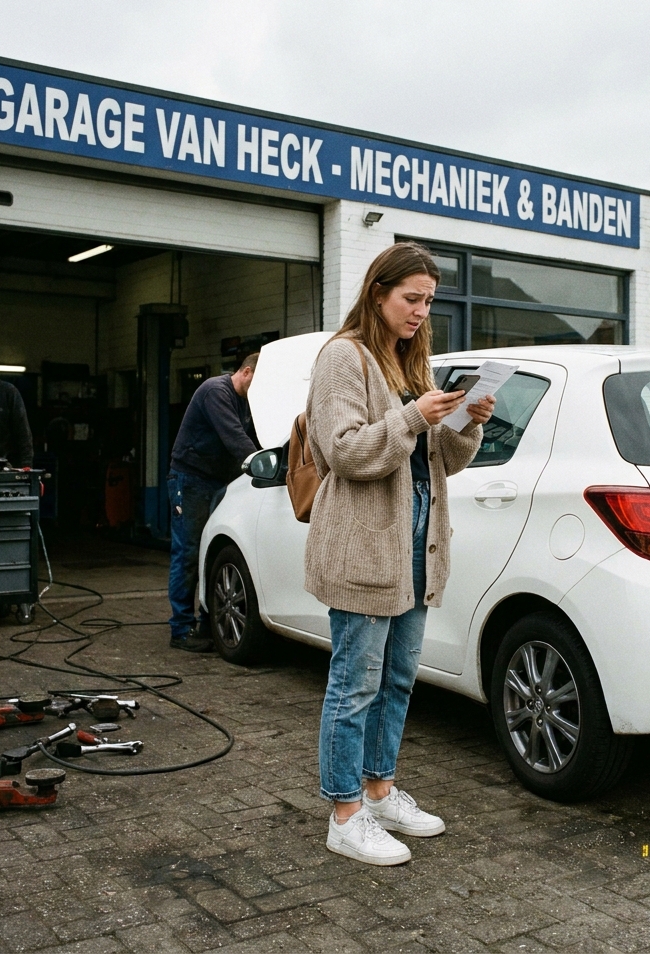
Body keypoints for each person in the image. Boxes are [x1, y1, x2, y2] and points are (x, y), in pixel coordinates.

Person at [306, 242, 495, 866]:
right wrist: (413, 416)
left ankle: (379, 792)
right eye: (411, 298)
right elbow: (345, 452)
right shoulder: (344, 356)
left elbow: (442, 461)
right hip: (365, 542)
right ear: (378, 292)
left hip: (418, 539)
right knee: (355, 682)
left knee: (396, 678)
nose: (421, 312)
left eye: (429, 301)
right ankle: (344, 814)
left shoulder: (410, 361)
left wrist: (467, 421)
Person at [167, 352, 261, 652]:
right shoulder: (215, 391)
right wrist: (263, 466)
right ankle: (181, 630)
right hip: (191, 481)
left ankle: (206, 623)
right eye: (259, 382)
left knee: (210, 553)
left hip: (219, 482)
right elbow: (235, 438)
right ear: (246, 372)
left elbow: (258, 438)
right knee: (189, 554)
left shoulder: (247, 402)